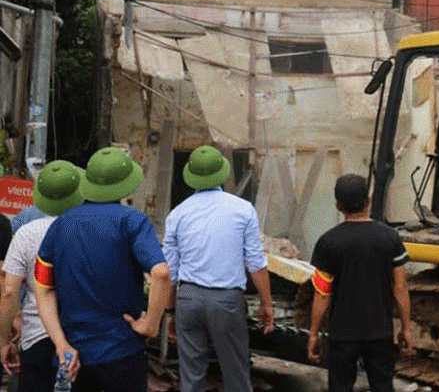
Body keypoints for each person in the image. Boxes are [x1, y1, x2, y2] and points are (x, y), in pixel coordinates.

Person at [35, 147, 171, 392]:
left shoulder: (59, 225)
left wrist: (60, 343)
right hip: (122, 352)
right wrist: (151, 324)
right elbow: (161, 273)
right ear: (127, 185)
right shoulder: (133, 221)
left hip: (72, 356)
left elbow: (43, 289)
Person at [162, 145, 274, 392]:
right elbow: (256, 263)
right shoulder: (242, 209)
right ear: (223, 174)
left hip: (188, 299)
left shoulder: (177, 214)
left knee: (191, 377)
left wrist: (170, 311)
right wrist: (267, 304)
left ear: (191, 177)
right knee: (236, 372)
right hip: (226, 302)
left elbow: (170, 271)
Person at [307, 174, 412, 392]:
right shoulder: (390, 237)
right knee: (383, 386)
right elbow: (400, 287)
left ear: (338, 205)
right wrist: (406, 328)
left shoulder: (328, 242)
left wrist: (314, 333)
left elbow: (322, 293)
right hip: (380, 332)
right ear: (368, 201)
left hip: (342, 334)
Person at [0, 160, 85, 391]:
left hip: (35, 336)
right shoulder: (88, 230)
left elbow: (9, 290)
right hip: (81, 335)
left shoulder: (26, 233)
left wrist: (4, 339)